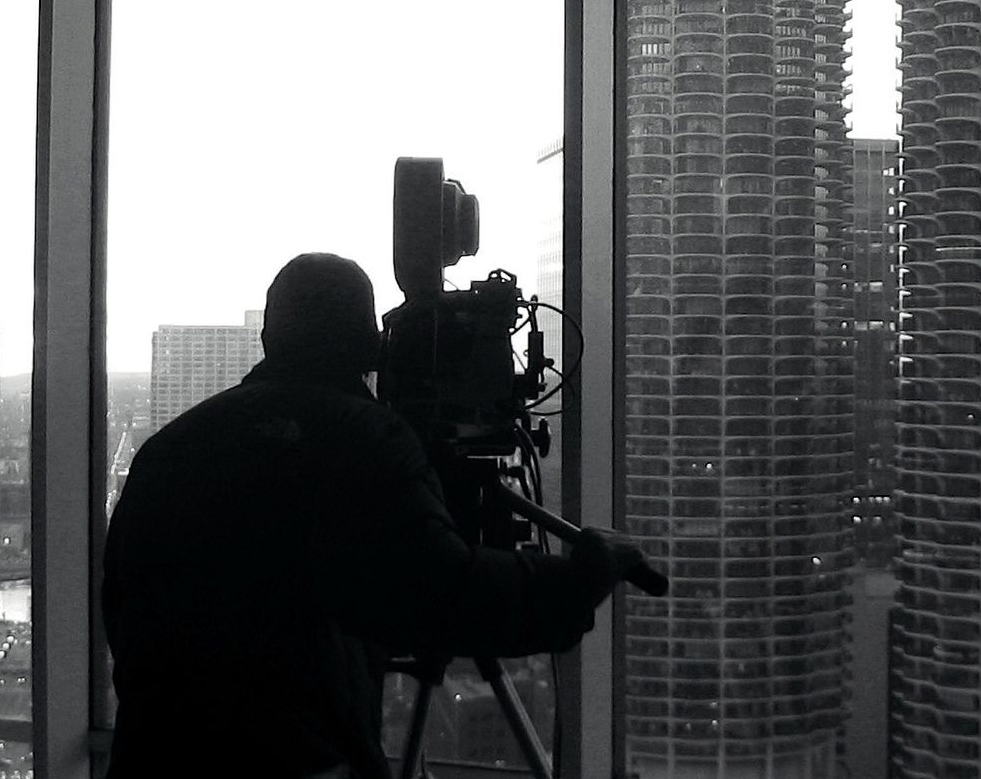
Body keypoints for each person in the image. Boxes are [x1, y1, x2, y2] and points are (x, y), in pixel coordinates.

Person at [103, 252, 646, 779]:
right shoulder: (365, 442)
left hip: (150, 756)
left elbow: (119, 604)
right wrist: (579, 579)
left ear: (269, 339)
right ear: (373, 345)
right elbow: (442, 595)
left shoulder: (171, 448)